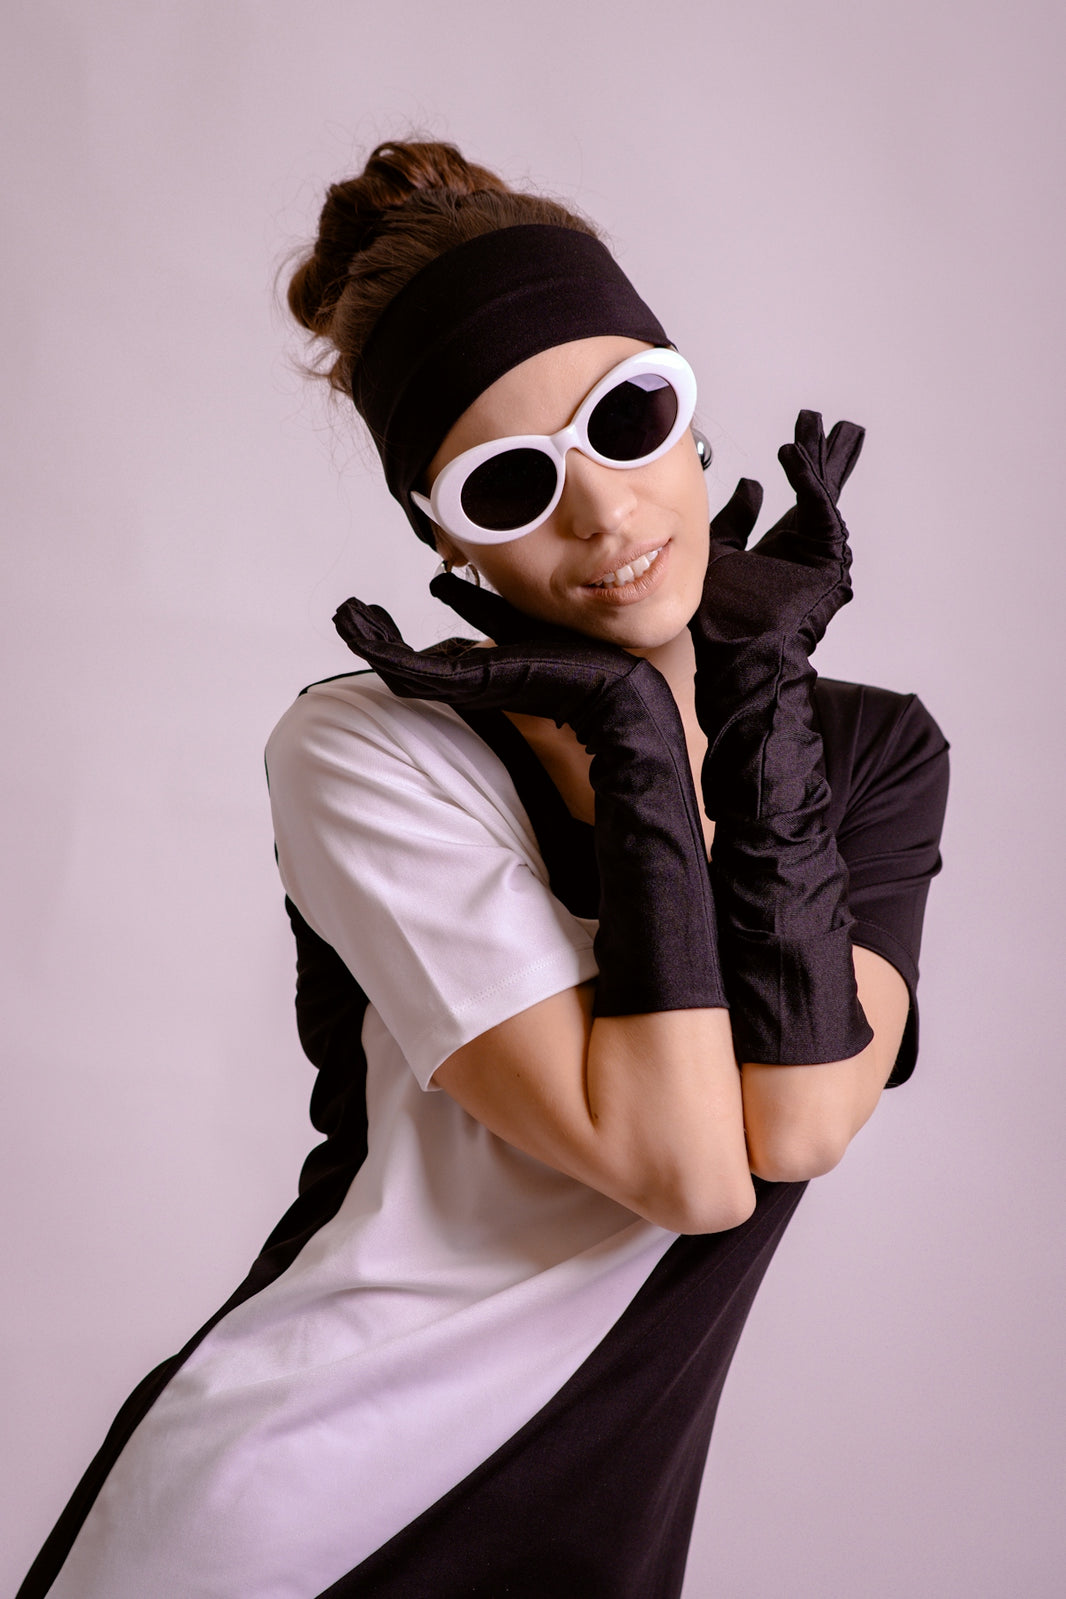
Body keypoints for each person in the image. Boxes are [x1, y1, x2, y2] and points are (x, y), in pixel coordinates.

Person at [18, 139, 949, 1599]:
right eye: (512, 484)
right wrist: (639, 741)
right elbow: (680, 1168)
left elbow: (799, 1120)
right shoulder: (367, 748)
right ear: (443, 538)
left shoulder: (865, 752)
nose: (603, 515)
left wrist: (751, 719)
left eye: (628, 418)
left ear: (689, 415)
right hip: (293, 1518)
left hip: (591, 1518)